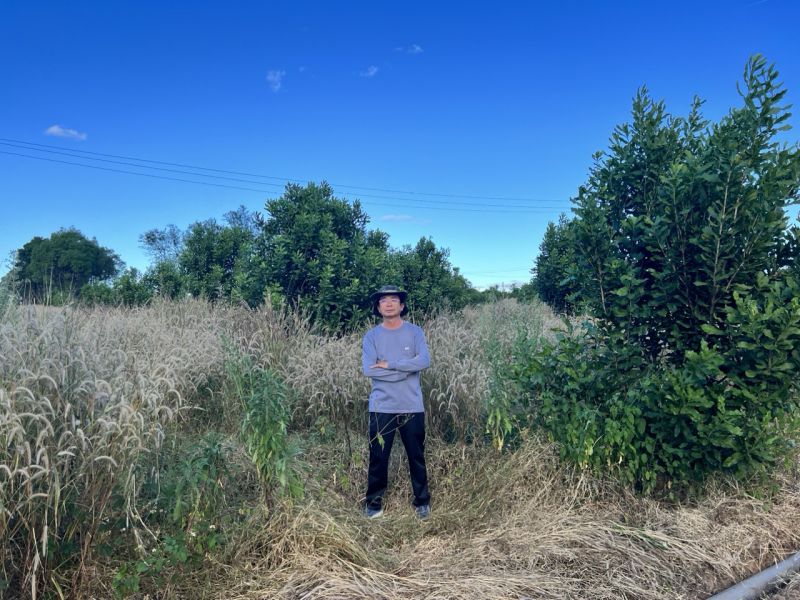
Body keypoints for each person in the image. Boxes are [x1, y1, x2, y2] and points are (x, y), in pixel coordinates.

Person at [361, 285, 431, 519]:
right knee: (378, 457)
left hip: (412, 405)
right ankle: (374, 504)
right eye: (384, 300)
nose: (389, 303)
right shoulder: (371, 336)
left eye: (393, 299)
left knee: (416, 456)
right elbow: (369, 370)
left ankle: (422, 502)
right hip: (382, 406)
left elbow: (424, 361)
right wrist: (406, 370)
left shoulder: (415, 332)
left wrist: (390, 365)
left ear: (402, 306)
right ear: (378, 307)